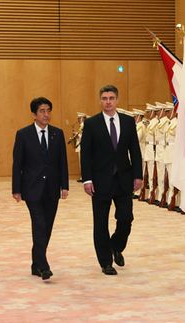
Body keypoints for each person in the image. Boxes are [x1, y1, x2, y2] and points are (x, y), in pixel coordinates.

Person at [80, 84, 143, 275]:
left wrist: (138, 175)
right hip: (100, 182)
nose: (108, 102)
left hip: (124, 179)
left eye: (111, 98)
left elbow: (135, 150)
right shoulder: (92, 124)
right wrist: (87, 179)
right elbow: (86, 154)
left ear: (117, 100)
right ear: (100, 100)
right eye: (105, 98)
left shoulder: (128, 121)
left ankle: (116, 245)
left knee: (126, 218)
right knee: (100, 223)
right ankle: (105, 262)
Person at [12, 97, 69, 281]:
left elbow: (62, 162)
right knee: (39, 224)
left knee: (47, 227)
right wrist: (16, 188)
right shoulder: (23, 134)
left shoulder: (57, 134)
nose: (46, 114)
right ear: (34, 115)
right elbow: (17, 163)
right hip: (32, 188)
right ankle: (43, 266)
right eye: (42, 111)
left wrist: (65, 185)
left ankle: (36, 264)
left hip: (52, 188)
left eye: (48, 111)